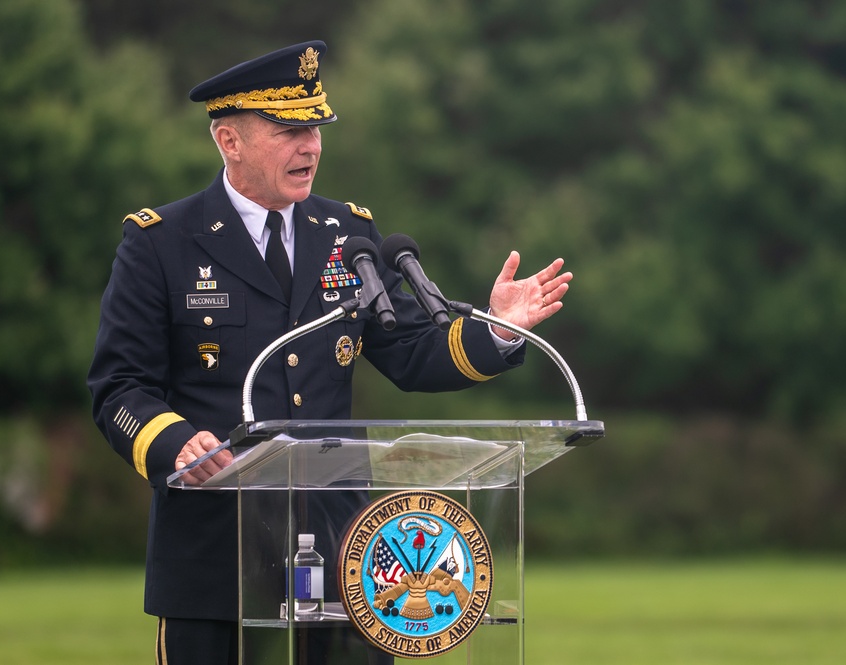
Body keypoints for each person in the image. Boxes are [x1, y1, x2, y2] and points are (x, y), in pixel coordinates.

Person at [87, 40, 572, 665]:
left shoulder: (350, 235)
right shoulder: (160, 244)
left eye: (316, 127)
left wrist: (498, 330)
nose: (310, 145)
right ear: (229, 141)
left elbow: (408, 353)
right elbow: (119, 385)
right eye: (289, 129)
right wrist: (172, 441)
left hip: (347, 553)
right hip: (213, 558)